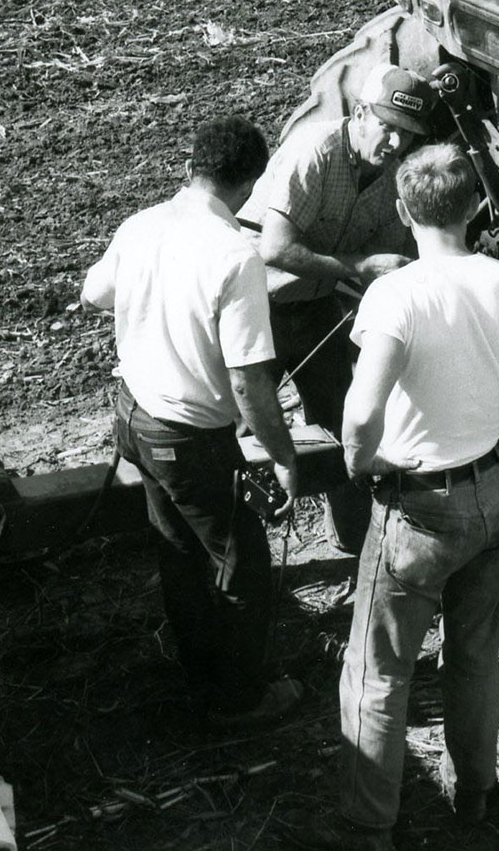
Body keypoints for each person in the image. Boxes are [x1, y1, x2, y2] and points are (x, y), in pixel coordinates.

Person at [294, 143, 499, 850]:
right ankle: (475, 796)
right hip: (496, 494)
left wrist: (362, 459)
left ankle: (366, 826)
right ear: (474, 208)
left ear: (405, 212)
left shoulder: (397, 295)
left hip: (417, 510)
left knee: (378, 672)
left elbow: (358, 413)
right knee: (474, 657)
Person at [80, 116, 303, 727]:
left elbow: (93, 294)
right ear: (250, 186)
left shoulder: (142, 223)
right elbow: (247, 382)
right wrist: (283, 455)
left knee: (177, 549)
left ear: (190, 167)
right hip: (187, 437)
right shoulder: (237, 258)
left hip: (133, 414)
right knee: (243, 562)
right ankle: (238, 699)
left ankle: (198, 666)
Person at [239, 63, 437, 555]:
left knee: (343, 415)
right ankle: (241, 539)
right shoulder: (316, 150)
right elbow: (276, 249)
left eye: (407, 135)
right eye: (388, 127)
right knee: (246, 426)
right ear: (362, 112)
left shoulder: (394, 175)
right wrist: (359, 266)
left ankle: (354, 541)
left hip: (316, 306)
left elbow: (390, 261)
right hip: (258, 307)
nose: (394, 143)